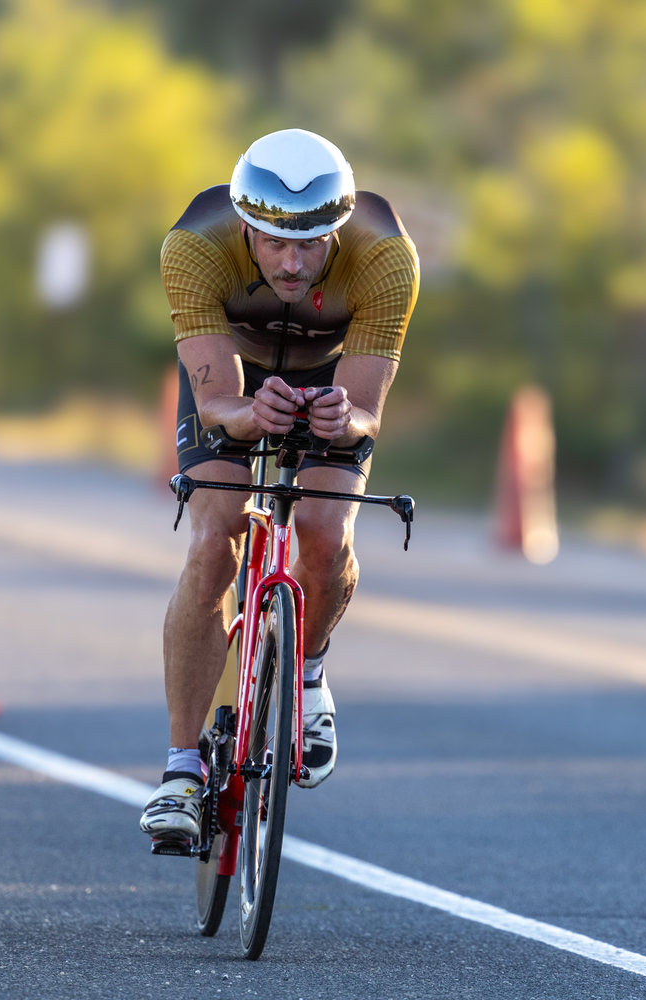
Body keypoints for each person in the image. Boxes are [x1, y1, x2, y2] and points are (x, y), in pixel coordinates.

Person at [140, 129, 419, 841]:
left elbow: (364, 413)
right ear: (245, 228)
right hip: (232, 378)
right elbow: (215, 403)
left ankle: (309, 672)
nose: (293, 264)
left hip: (331, 379)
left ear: (338, 231)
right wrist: (243, 411)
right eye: (273, 244)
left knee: (326, 534)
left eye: (312, 244)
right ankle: (180, 772)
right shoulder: (194, 245)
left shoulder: (386, 258)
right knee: (216, 539)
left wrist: (342, 416)